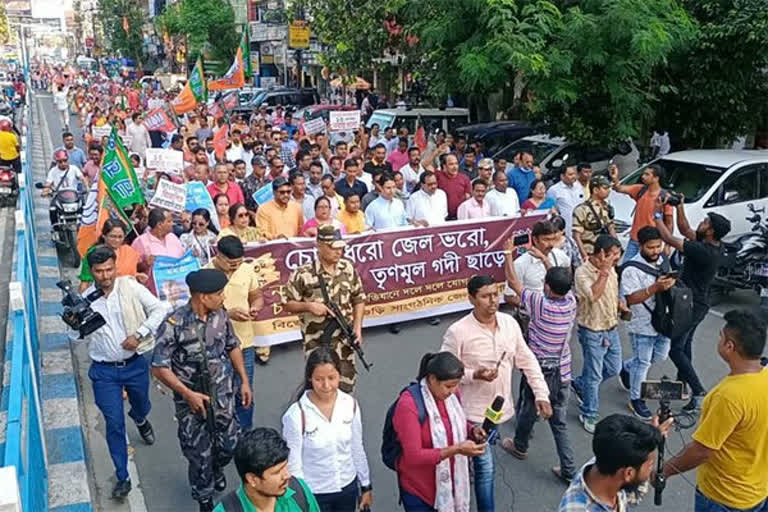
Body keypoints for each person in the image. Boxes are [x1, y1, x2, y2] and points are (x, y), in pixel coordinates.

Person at [441, 275, 552, 512]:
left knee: (483, 455)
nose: (493, 301)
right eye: (485, 296)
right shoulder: (457, 332)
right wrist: (474, 375)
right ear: (471, 299)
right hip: (470, 412)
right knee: (486, 469)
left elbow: (527, 360)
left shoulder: (509, 324)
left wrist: (541, 393)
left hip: (498, 410)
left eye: (495, 294)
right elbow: (443, 373)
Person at [152, 269, 253, 512]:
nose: (223, 298)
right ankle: (204, 497)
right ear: (202, 297)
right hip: (192, 400)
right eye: (219, 294)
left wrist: (244, 380)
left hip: (223, 394)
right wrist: (187, 394)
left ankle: (217, 468)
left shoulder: (221, 316)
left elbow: (232, 346)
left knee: (229, 444)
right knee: (198, 454)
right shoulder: (173, 324)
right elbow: (158, 367)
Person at [82, 246, 171, 499]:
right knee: (114, 424)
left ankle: (141, 419)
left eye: (109, 269)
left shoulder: (130, 287)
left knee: (142, 404)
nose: (105, 275)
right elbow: (74, 336)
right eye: (99, 271)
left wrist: (140, 333)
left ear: (115, 267)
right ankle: (122, 476)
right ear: (92, 272)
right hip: (104, 372)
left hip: (134, 365)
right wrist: (77, 326)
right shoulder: (86, 299)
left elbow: (160, 309)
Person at [660, 309, 768, 512]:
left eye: (721, 337)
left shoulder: (728, 396)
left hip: (724, 498)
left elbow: (702, 451)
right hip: (759, 492)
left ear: (729, 346)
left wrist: (664, 471)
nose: (718, 341)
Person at [501, 241, 577, 483]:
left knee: (528, 406)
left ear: (546, 286)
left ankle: (520, 445)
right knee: (559, 423)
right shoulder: (571, 302)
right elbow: (558, 280)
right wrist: (545, 260)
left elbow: (514, 284)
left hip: (539, 370)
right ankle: (569, 468)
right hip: (562, 370)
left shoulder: (539, 304)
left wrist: (507, 254)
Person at [654, 198, 731, 411]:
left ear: (711, 231)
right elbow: (685, 228)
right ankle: (683, 385)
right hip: (696, 303)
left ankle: (698, 391)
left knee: (675, 349)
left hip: (691, 305)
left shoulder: (704, 251)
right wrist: (679, 206)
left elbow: (669, 237)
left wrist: (657, 216)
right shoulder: (711, 244)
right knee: (685, 344)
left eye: (706, 222)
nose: (702, 222)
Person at [392, 352, 488, 512]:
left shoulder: (452, 396)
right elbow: (413, 456)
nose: (453, 391)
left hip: (451, 487)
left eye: (456, 385)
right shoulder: (408, 405)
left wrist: (472, 430)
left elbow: (456, 423)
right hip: (420, 492)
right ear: (432, 379)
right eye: (449, 386)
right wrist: (457, 449)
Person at [282, 348, 372, 511]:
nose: (326, 385)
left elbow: (356, 448)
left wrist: (365, 486)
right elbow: (294, 464)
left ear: (339, 375)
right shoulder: (296, 415)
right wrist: (302, 499)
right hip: (314, 494)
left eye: (332, 378)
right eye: (319, 379)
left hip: (347, 487)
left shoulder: (350, 404)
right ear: (310, 378)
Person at [283, 226, 366, 394]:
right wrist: (309, 306)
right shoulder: (303, 274)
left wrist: (357, 328)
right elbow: (286, 303)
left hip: (344, 342)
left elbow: (359, 298)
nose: (338, 252)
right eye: (332, 247)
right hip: (317, 342)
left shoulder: (347, 268)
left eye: (340, 247)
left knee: (345, 388)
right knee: (320, 388)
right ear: (319, 245)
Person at [557, 414, 672, 512]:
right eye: (650, 465)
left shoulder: (607, 458)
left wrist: (653, 434)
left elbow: (632, 493)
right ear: (628, 473)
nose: (651, 471)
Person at [617, 226, 675, 419]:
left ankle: (626, 368)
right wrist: (655, 288)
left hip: (664, 319)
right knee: (643, 362)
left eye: (658, 246)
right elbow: (630, 299)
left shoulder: (663, 260)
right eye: (651, 247)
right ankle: (636, 400)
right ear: (641, 246)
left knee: (659, 356)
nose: (656, 251)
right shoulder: (630, 269)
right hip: (642, 322)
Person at [205, 236, 264, 424]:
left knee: (244, 391)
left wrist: (255, 306)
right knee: (217, 393)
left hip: (244, 343)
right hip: (215, 346)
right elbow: (200, 313)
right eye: (231, 263)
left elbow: (257, 296)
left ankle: (245, 435)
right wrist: (228, 314)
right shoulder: (204, 274)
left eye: (239, 263)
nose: (235, 267)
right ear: (219, 256)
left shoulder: (246, 270)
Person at [570, 235, 623, 434]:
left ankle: (579, 384)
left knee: (614, 367)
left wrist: (620, 304)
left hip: (611, 327)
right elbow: (593, 296)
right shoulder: (583, 273)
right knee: (594, 375)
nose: (616, 258)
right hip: (592, 330)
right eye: (613, 255)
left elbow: (613, 292)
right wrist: (604, 272)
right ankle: (589, 412)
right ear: (601, 254)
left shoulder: (612, 270)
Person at [214, 427, 321, 512]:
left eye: (285, 466)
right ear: (252, 479)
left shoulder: (299, 491)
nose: (287, 475)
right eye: (277, 472)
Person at [503, 220, 570, 334]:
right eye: (546, 240)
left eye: (553, 239)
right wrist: (529, 307)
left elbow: (513, 283)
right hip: (531, 321)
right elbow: (509, 296)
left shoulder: (560, 256)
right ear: (535, 240)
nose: (551, 244)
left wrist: (507, 253)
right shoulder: (520, 264)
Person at [609, 163, 673, 263]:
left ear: (656, 178)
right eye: (644, 174)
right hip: (635, 239)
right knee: (626, 266)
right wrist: (615, 178)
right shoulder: (640, 189)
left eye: (647, 174)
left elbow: (669, 223)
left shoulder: (664, 197)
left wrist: (668, 244)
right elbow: (619, 188)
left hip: (651, 242)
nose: (643, 176)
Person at [79, 219, 144, 292]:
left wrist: (137, 276)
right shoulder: (94, 253)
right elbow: (85, 282)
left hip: (128, 294)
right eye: (113, 236)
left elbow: (132, 272)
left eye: (120, 237)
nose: (117, 240)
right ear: (104, 236)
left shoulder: (129, 251)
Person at [571, 174, 617, 263]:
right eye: (605, 188)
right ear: (595, 190)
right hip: (591, 253)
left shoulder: (606, 207)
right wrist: (584, 256)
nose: (608, 191)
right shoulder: (582, 209)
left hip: (607, 253)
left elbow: (611, 228)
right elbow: (577, 236)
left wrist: (616, 246)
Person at [547, 165, 585, 238]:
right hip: (567, 227)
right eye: (570, 174)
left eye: (574, 174)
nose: (574, 176)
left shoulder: (578, 186)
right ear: (562, 176)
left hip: (582, 225)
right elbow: (552, 210)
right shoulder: (553, 190)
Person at [435, 154, 471, 220]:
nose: (455, 167)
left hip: (460, 218)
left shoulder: (465, 178)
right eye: (451, 164)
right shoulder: (438, 176)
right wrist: (437, 151)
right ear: (444, 166)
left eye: (456, 164)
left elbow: (468, 198)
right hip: (443, 218)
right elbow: (425, 165)